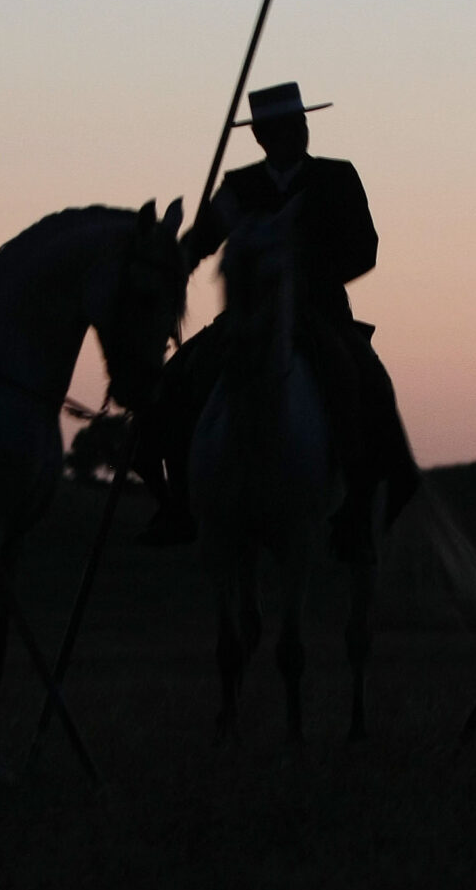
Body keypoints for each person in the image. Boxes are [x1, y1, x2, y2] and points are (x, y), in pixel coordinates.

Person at [136, 81, 418, 562]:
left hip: (319, 309)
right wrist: (178, 257)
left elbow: (364, 248)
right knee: (178, 379)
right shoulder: (240, 186)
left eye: (302, 124)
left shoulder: (337, 177)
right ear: (264, 136)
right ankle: (175, 497)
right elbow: (205, 238)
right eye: (288, 126)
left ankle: (363, 497)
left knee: (362, 378)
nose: (299, 133)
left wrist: (307, 274)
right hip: (248, 312)